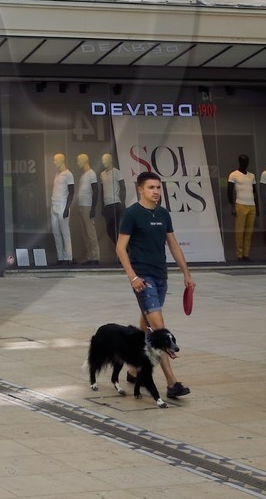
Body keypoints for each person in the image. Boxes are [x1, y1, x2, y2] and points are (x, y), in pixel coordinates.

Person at [116, 170, 195, 400]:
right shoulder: (132, 214)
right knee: (159, 329)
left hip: (161, 277)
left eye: (158, 187)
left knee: (146, 325)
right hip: (143, 279)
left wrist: (186, 274)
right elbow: (120, 248)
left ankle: (133, 369)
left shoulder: (163, 213)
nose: (156, 191)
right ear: (140, 189)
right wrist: (133, 276)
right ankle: (172, 384)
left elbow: (173, 245)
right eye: (151, 187)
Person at [226, 154, 257, 261]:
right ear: (240, 162)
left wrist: (257, 207)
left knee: (249, 231)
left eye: (247, 161)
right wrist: (232, 206)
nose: (246, 163)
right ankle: (239, 254)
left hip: (252, 205)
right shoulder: (233, 175)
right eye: (244, 161)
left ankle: (246, 254)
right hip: (240, 204)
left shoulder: (251, 176)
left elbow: (255, 192)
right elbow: (229, 191)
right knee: (240, 231)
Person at [48, 153, 74, 264]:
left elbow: (71, 191)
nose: (54, 162)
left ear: (62, 160)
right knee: (56, 233)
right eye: (54, 160)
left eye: (56, 160)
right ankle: (60, 257)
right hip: (54, 205)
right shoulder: (57, 174)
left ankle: (68, 257)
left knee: (65, 232)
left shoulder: (68, 174)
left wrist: (67, 208)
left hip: (63, 205)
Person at [99, 153, 126, 249]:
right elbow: (102, 190)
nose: (103, 162)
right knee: (109, 231)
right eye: (102, 160)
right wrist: (102, 206)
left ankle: (123, 250)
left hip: (116, 203)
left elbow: (122, 187)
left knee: (118, 229)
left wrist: (122, 203)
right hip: (107, 205)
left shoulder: (117, 172)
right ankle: (121, 249)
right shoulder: (102, 174)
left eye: (105, 159)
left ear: (110, 160)